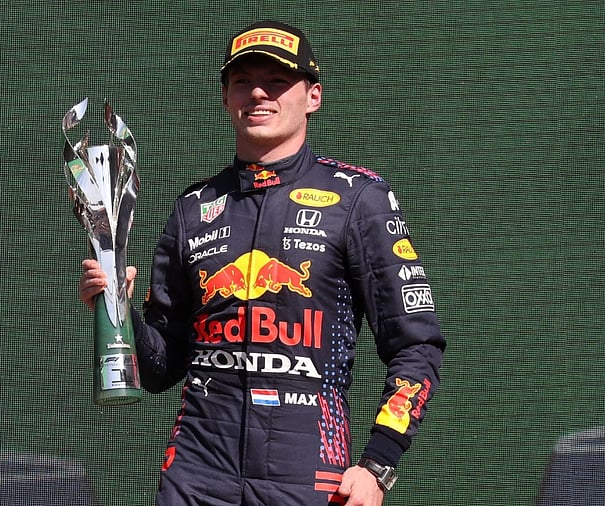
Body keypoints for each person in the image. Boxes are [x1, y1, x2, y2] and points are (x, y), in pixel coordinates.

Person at [78, 20, 445, 506]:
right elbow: (162, 366)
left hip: (308, 473)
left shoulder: (359, 199)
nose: (257, 94)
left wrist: (379, 465)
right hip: (196, 474)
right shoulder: (194, 208)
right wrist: (117, 314)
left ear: (313, 96)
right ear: (225, 97)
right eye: (242, 82)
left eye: (276, 81)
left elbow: (418, 348)